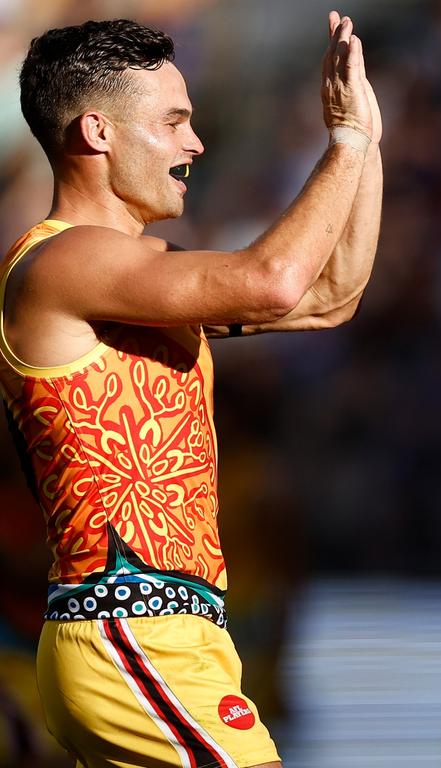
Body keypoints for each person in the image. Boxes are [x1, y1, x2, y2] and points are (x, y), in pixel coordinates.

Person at [1, 11, 382, 768]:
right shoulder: (63, 263)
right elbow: (274, 282)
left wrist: (366, 142)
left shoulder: (135, 277)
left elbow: (331, 296)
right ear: (99, 132)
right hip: (130, 633)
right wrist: (339, 145)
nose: (194, 144)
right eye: (173, 121)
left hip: (173, 636)